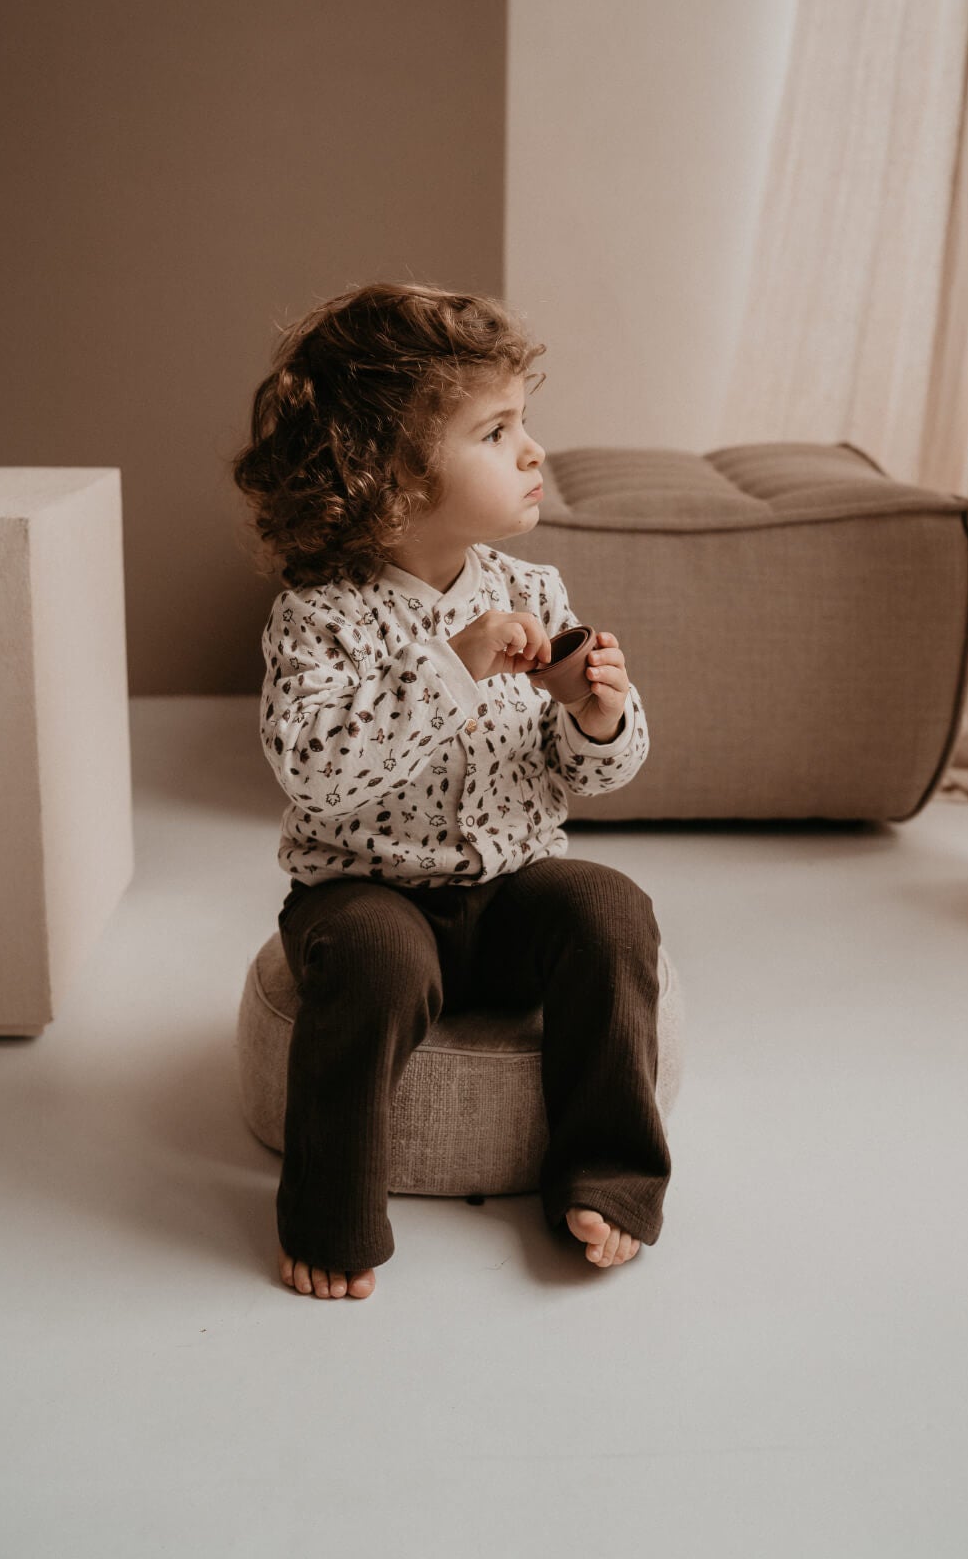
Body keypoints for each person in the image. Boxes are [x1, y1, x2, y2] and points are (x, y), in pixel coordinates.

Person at [232, 280, 671, 1300]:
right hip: (366, 895)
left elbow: (585, 775)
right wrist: (454, 664)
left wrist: (595, 715)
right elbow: (316, 770)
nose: (534, 451)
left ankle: (609, 1176)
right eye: (497, 431)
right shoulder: (320, 616)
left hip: (511, 892)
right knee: (379, 960)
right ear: (389, 474)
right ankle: (331, 1216)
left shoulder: (532, 590)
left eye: (525, 422)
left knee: (611, 907)